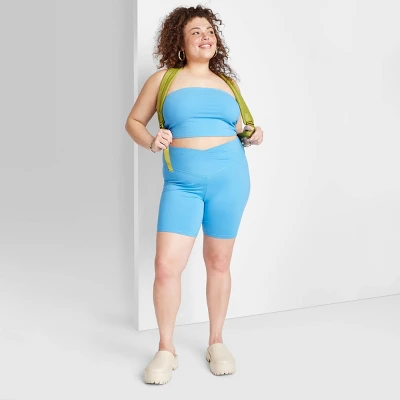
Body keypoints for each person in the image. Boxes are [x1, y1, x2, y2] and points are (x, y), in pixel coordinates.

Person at [125, 4, 264, 384]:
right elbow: (133, 121)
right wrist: (151, 140)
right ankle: (165, 349)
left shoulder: (228, 84)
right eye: (196, 32)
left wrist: (254, 133)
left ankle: (216, 342)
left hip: (230, 180)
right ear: (181, 43)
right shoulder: (163, 79)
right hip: (182, 184)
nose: (206, 37)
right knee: (166, 267)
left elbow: (243, 128)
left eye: (210, 31)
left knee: (218, 263)